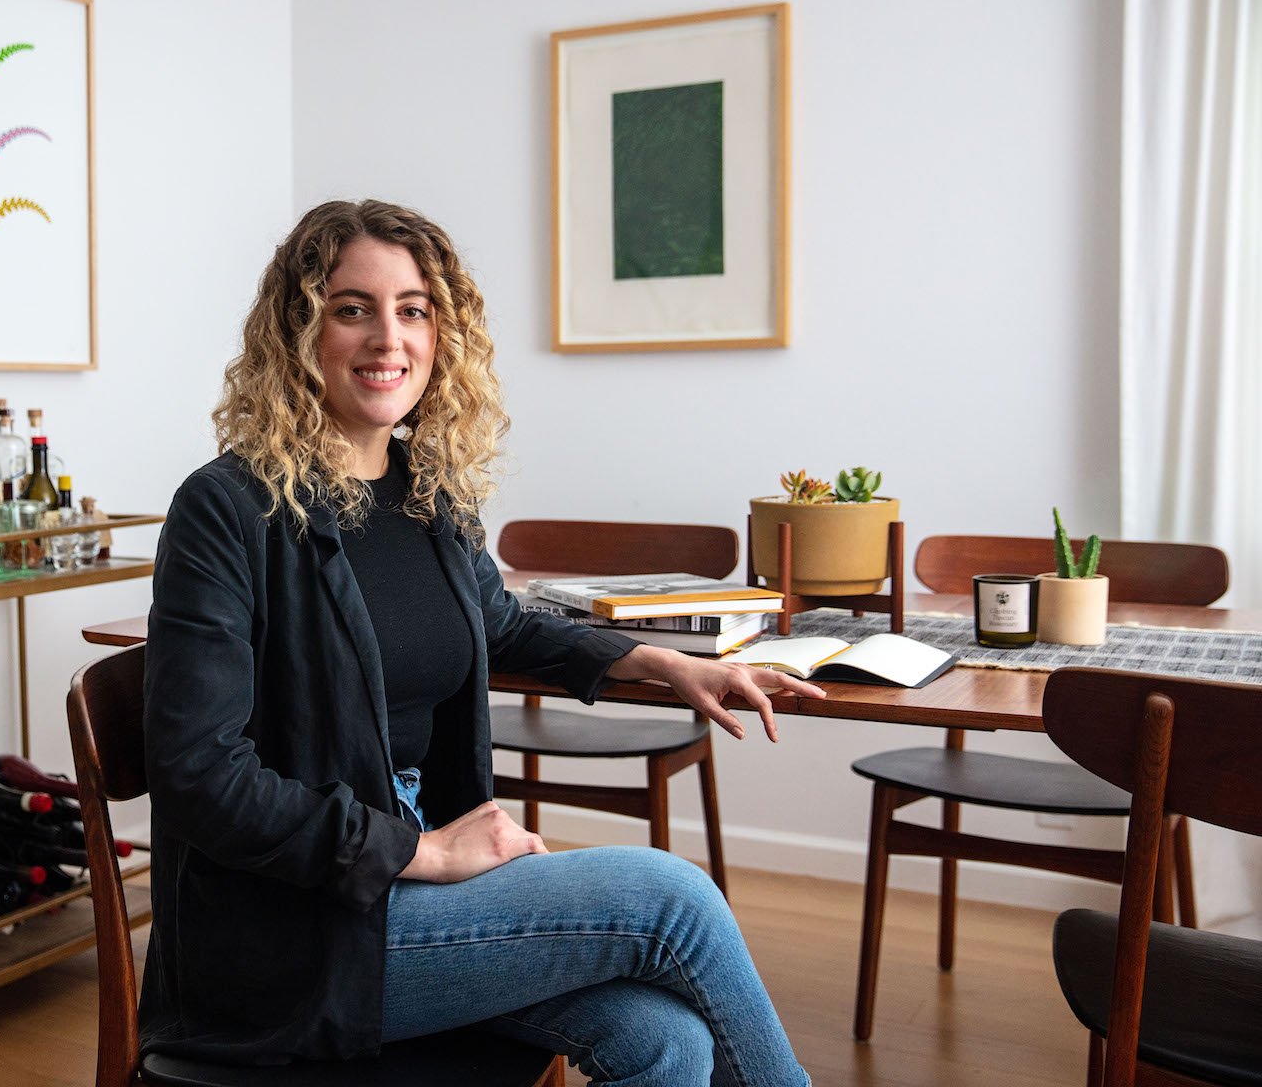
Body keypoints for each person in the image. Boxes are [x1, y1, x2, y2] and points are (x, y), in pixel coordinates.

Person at [142, 199, 819, 1085]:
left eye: (413, 309)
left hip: (410, 882)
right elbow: (200, 776)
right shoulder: (227, 509)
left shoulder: (428, 494)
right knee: (672, 899)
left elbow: (494, 623)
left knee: (666, 1040)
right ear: (298, 332)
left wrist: (648, 660)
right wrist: (422, 852)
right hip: (296, 931)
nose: (389, 337)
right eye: (353, 308)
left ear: (441, 333)